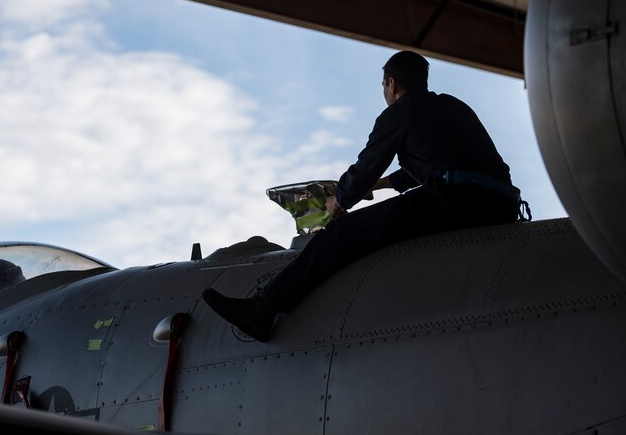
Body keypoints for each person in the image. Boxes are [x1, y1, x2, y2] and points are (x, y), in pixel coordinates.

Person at [202, 50, 527, 342]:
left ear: (391, 83)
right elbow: (443, 164)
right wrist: (383, 185)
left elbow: (367, 164)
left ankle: (263, 308)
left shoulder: (400, 112)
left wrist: (340, 199)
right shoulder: (452, 107)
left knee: (343, 232)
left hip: (456, 201)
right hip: (500, 202)